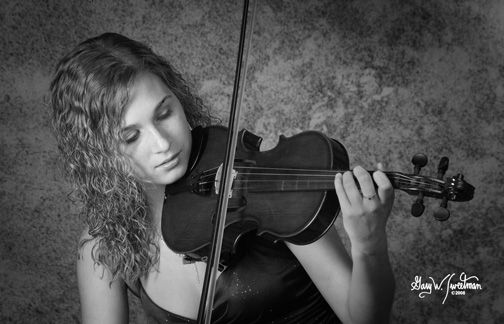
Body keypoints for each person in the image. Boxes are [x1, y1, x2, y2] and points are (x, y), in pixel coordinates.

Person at [50, 32, 395, 324]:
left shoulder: (257, 179)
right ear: (98, 153)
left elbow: (362, 318)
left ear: (179, 99)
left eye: (165, 113)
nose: (162, 143)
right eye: (131, 137)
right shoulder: (105, 243)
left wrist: (369, 245)